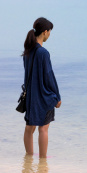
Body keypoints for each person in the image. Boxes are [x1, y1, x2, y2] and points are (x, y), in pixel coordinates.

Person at [22, 17, 61, 159]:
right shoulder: (43, 53)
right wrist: (57, 96)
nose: (49, 34)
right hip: (43, 96)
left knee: (29, 127)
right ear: (45, 32)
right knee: (43, 128)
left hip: (31, 96)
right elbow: (49, 76)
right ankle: (43, 161)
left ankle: (28, 157)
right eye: (49, 31)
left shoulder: (28, 51)